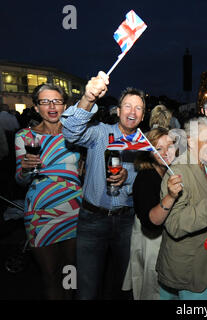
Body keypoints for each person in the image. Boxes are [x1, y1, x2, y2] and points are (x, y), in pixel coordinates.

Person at [61, 71, 144, 299]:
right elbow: (70, 132)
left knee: (125, 287)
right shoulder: (100, 134)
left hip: (127, 220)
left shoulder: (145, 146)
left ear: (143, 115)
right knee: (87, 289)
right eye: (127, 106)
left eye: (138, 108)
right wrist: (88, 99)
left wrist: (129, 176)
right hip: (92, 220)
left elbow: (146, 186)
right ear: (118, 111)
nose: (132, 112)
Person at [157, 117, 207, 300]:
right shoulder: (178, 171)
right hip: (188, 262)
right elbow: (174, 224)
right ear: (191, 141)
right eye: (206, 139)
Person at [15, 84, 82, 299]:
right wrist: (25, 169)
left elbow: (85, 172)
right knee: (50, 274)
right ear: (36, 107)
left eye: (57, 101)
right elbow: (20, 180)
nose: (52, 106)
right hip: (39, 213)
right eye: (45, 101)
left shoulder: (76, 136)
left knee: (70, 269)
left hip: (74, 212)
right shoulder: (24, 136)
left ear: (65, 105)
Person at [122, 127, 182, 299]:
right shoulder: (146, 177)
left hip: (162, 240)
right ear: (149, 152)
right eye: (158, 148)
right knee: (152, 287)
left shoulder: (168, 173)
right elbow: (150, 223)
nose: (165, 152)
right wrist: (171, 197)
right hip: (150, 241)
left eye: (169, 146)